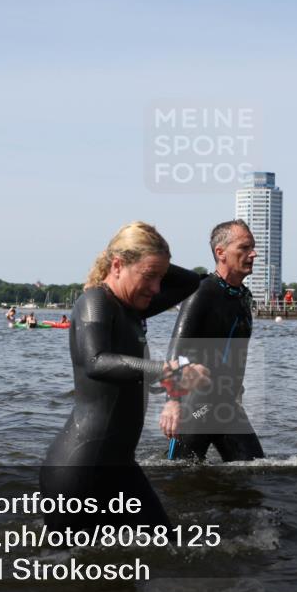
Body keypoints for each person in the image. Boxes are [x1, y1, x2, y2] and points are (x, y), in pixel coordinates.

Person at [40, 222, 208, 530]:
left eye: (160, 277)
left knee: (165, 549)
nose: (157, 288)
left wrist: (153, 260)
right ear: (117, 265)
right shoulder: (95, 303)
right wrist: (169, 369)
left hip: (120, 467)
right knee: (68, 573)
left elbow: (189, 283)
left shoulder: (132, 308)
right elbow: (96, 361)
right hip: (80, 468)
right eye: (149, 276)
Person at [162, 220, 264, 462]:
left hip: (228, 405)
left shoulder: (243, 297)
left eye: (253, 247)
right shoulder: (201, 292)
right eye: (245, 247)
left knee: (257, 472)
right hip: (197, 405)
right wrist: (172, 403)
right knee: (177, 480)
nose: (253, 253)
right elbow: (175, 353)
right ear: (221, 253)